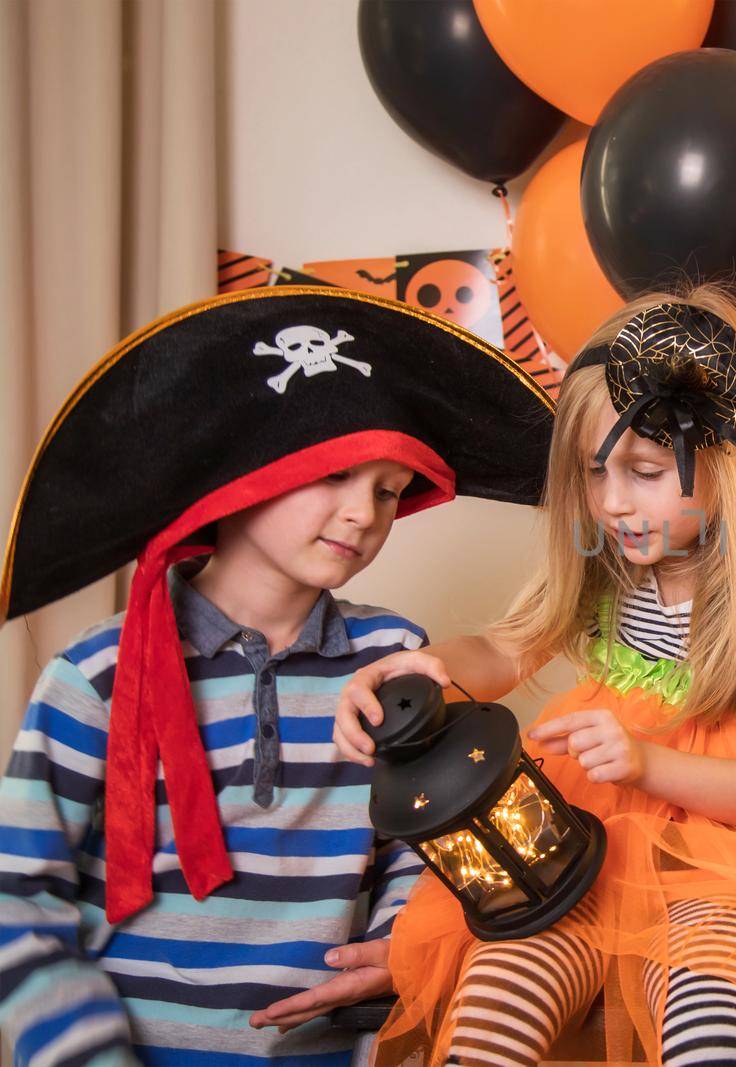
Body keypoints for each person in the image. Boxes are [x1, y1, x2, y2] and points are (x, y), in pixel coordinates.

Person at [335, 290, 736, 1066]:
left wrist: (648, 761)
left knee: (711, 1003)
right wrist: (423, 668)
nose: (614, 501)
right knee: (500, 985)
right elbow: (499, 650)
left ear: (735, 459)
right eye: (595, 474)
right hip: (592, 844)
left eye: (647, 470)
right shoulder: (606, 566)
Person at [0, 287, 555, 1064]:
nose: (364, 513)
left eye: (388, 490)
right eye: (334, 475)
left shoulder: (394, 657)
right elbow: (19, 895)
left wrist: (403, 938)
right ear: (240, 474)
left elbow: (421, 849)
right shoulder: (93, 675)